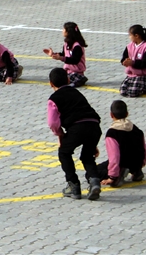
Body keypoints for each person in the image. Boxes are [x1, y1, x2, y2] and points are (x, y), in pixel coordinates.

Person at [46, 68, 102, 200]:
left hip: (77, 128)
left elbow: (53, 123)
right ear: (68, 79)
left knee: (64, 152)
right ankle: (94, 181)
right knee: (88, 155)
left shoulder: (54, 99)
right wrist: (92, 142)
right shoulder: (76, 92)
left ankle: (73, 185)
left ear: (50, 83)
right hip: (94, 125)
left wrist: (60, 135)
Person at [97, 100, 146, 187]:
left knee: (94, 172)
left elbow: (114, 156)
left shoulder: (112, 133)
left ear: (111, 115)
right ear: (127, 114)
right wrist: (140, 164)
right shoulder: (136, 129)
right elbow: (144, 150)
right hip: (136, 162)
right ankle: (136, 171)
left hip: (122, 163)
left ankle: (119, 174)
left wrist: (112, 177)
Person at [43, 22, 88, 87]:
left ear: (68, 32)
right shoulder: (66, 44)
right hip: (68, 71)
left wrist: (61, 58)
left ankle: (79, 80)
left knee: (70, 80)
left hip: (76, 72)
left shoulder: (77, 46)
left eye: (64, 29)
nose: (62, 31)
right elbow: (63, 54)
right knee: (57, 77)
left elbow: (75, 60)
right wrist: (54, 54)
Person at [119, 24, 146, 97]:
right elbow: (124, 56)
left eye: (130, 35)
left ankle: (145, 86)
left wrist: (132, 63)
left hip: (140, 75)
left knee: (133, 93)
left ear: (136, 36)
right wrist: (124, 62)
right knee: (123, 91)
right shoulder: (129, 46)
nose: (129, 37)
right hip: (130, 75)